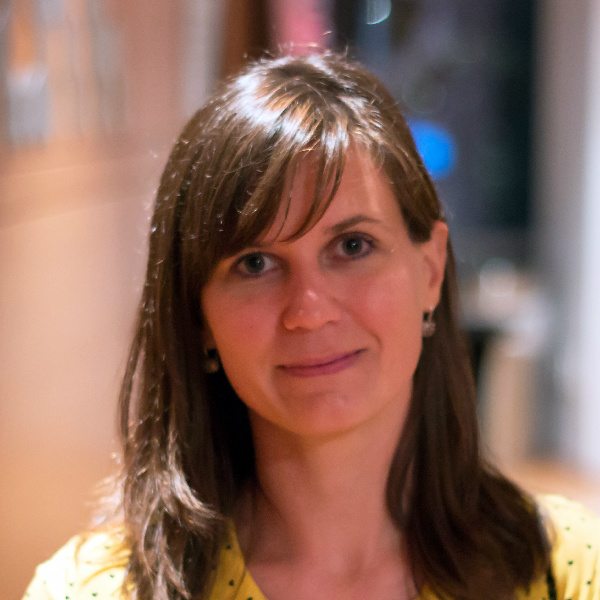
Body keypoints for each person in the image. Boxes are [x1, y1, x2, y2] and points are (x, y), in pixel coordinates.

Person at [23, 52, 600, 600]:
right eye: (254, 263)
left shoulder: (564, 571)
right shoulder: (95, 590)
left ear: (429, 271)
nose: (309, 308)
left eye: (353, 245)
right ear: (198, 316)